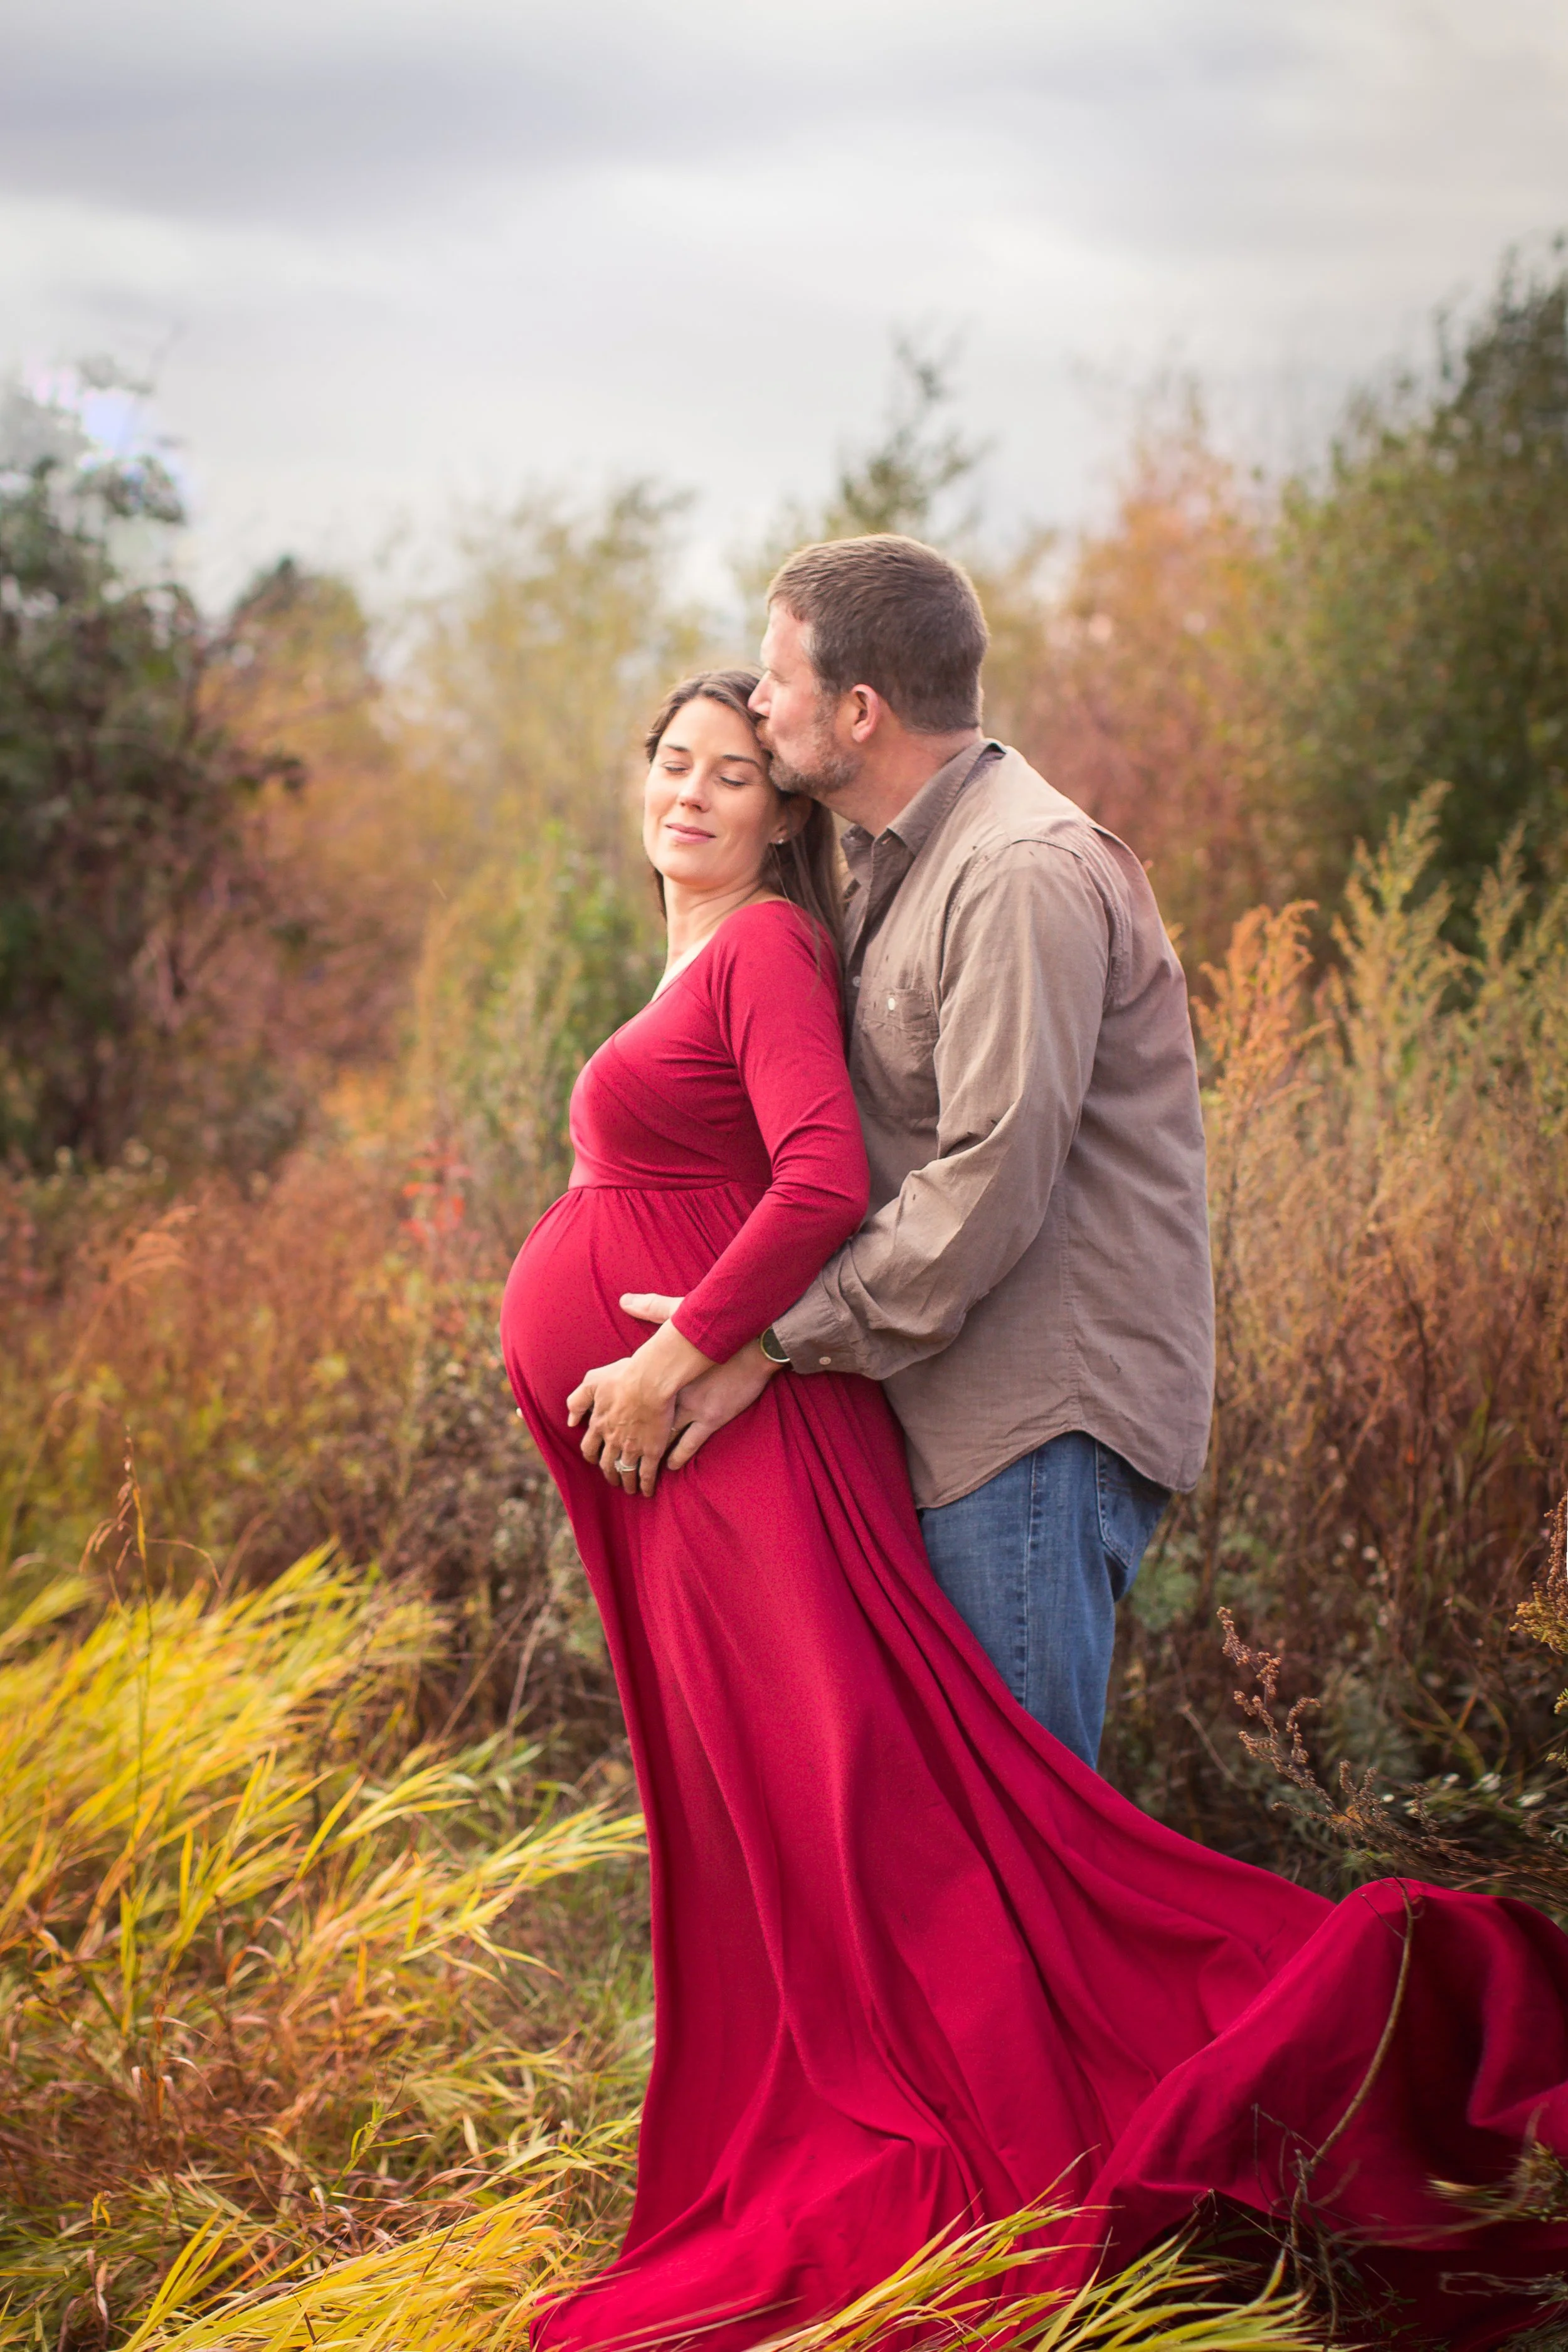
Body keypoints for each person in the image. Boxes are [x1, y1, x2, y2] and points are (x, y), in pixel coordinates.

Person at [501, 660, 1568, 2352]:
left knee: (897, 1809)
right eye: (670, 764)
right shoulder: (695, 951)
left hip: (739, 1445)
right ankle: (965, 2127)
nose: (689, 791)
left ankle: (1095, 2143)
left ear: (785, 811)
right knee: (811, 1822)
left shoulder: (778, 938)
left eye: (728, 768)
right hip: (685, 1470)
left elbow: (821, 1180)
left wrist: (688, 1348)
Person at [612, 536, 1211, 1770]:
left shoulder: (1015, 876)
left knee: (1029, 1834)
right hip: (947, 1411)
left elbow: (985, 1183)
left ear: (858, 709)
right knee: (970, 1835)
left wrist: (761, 1343)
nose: (759, 704)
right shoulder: (893, 862)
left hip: (1033, 1424)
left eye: (776, 685)